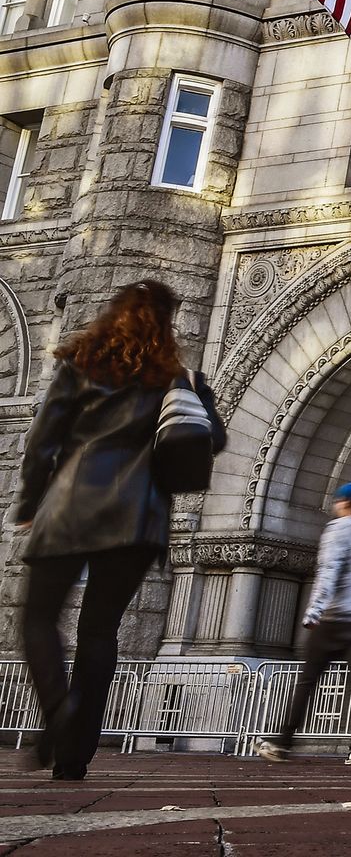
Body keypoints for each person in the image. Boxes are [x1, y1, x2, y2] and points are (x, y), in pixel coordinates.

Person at [14, 280, 224, 780]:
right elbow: (211, 439)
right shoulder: (179, 379)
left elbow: (43, 439)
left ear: (113, 315)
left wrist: (28, 501)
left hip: (70, 505)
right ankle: (76, 752)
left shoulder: (79, 364)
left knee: (38, 618)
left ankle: (59, 709)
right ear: (167, 325)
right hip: (139, 517)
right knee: (100, 630)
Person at [258, 481, 351, 766]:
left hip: (335, 620)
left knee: (308, 681)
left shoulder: (337, 530)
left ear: (345, 502)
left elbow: (329, 572)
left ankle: (283, 742)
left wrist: (313, 613)